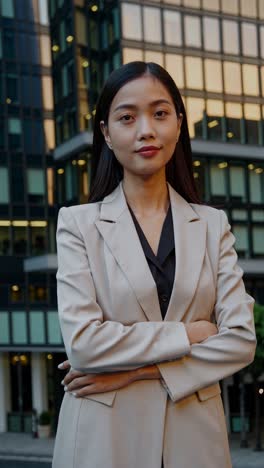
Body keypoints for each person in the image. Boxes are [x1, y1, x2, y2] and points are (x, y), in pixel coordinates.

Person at [52, 62, 256, 468]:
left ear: (178, 124)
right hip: (105, 441)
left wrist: (136, 372)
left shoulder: (212, 225)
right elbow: (85, 344)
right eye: (127, 118)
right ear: (107, 134)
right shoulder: (78, 224)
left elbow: (240, 342)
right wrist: (190, 333)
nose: (146, 129)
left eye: (160, 114)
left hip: (195, 443)